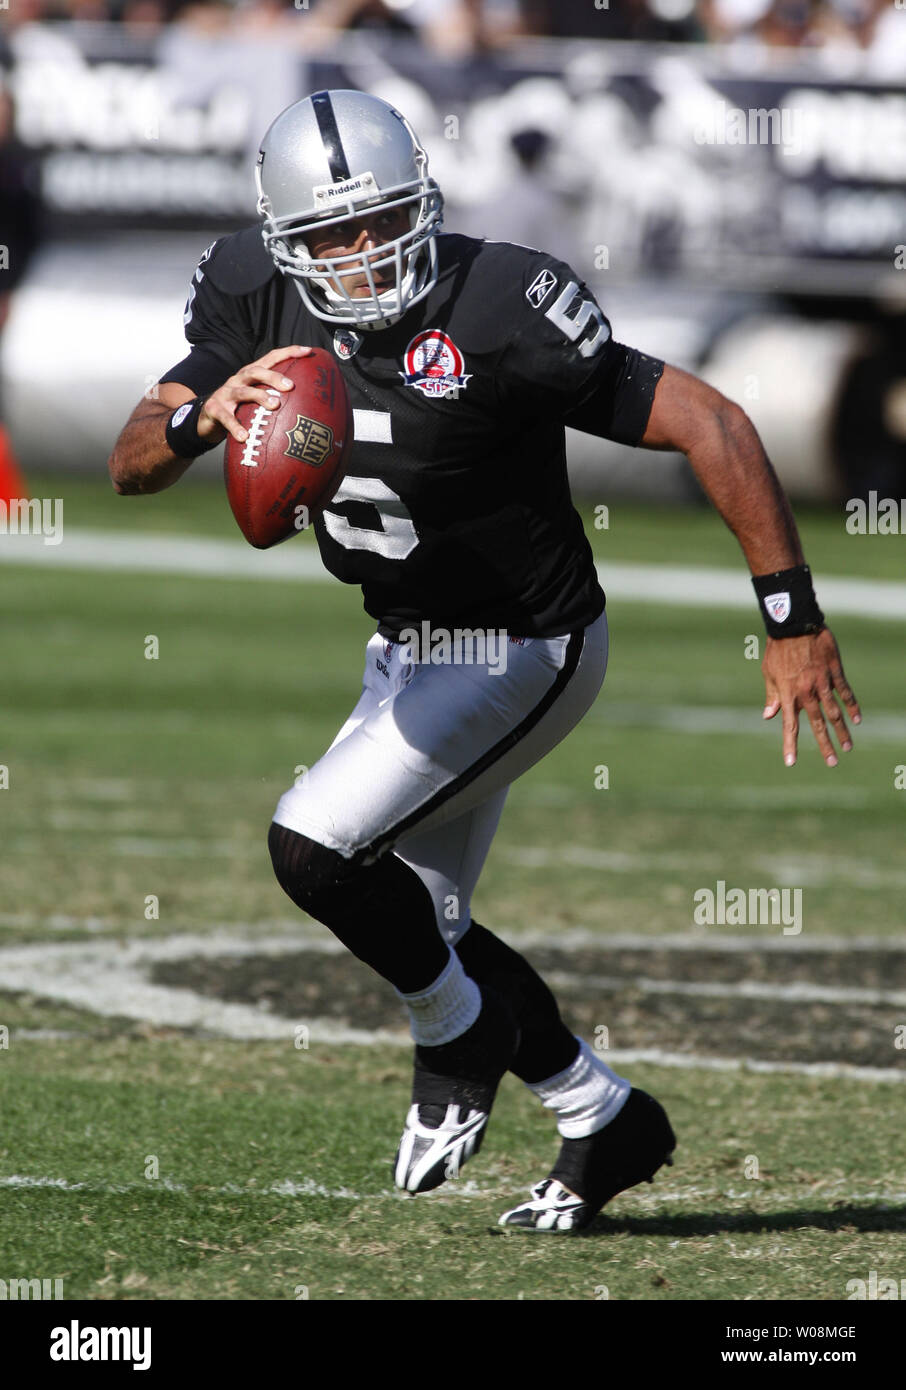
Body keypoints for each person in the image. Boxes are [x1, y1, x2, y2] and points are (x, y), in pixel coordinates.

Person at [108, 89, 860, 1234]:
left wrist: (792, 617)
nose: (362, 253)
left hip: (528, 644)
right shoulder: (250, 296)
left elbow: (715, 421)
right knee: (423, 919)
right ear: (282, 244)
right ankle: (600, 1113)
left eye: (383, 220)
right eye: (330, 235)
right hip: (405, 645)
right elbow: (128, 464)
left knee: (315, 851)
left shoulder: (503, 303)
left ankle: (457, 1034)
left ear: (425, 201)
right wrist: (198, 419)